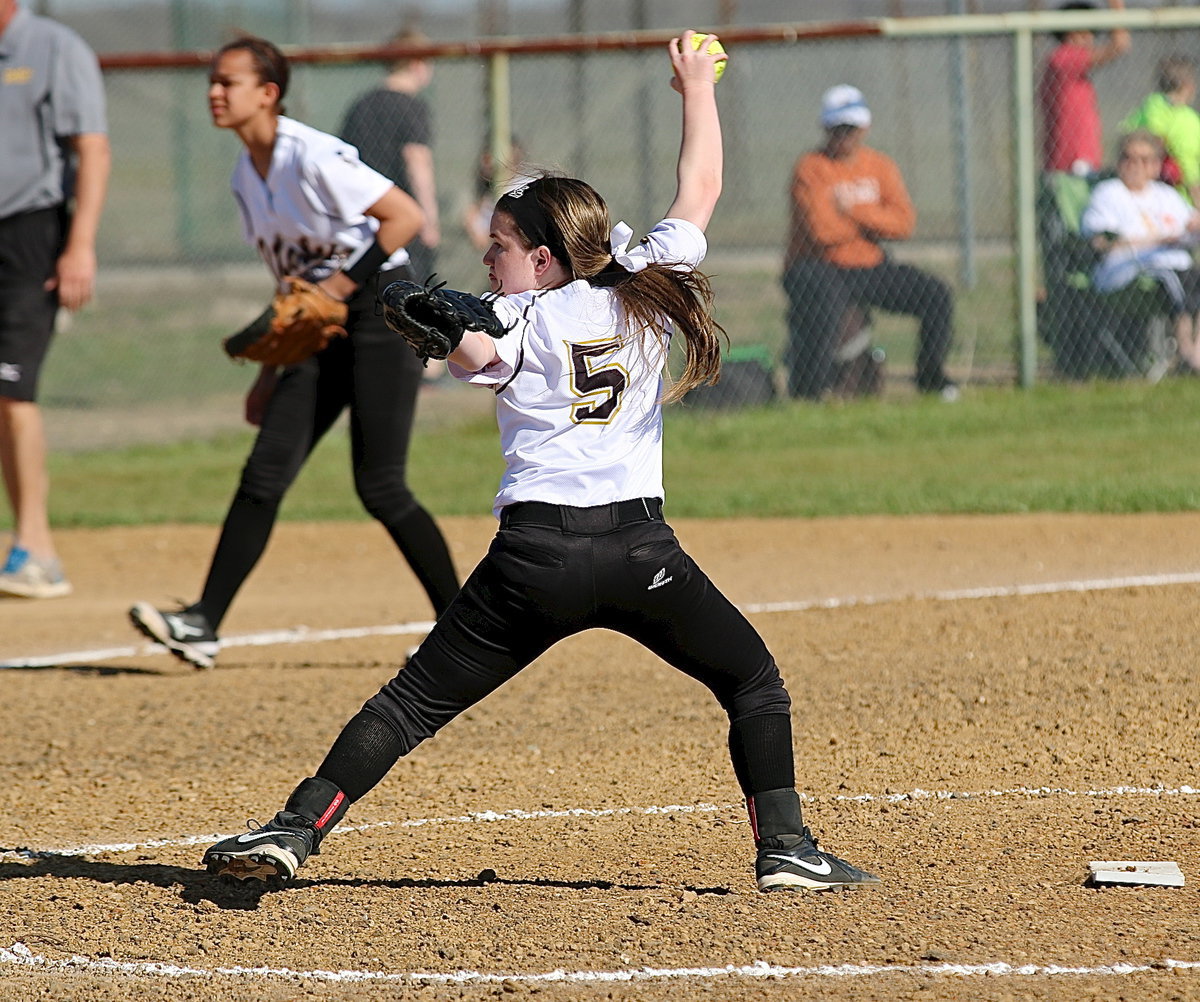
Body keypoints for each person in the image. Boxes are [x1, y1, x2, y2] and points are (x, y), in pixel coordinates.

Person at [201, 32, 879, 895]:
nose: (487, 259)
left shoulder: (516, 320)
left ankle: (297, 829)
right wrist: (696, 87)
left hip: (534, 565)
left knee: (409, 705)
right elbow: (701, 185)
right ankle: (786, 847)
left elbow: (471, 353)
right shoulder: (646, 281)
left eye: (501, 246)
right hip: (642, 556)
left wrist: (442, 327)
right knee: (751, 679)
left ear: (545, 259)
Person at [127, 36, 459, 669]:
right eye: (213, 81)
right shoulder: (243, 176)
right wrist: (271, 372)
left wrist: (335, 286)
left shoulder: (309, 155)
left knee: (380, 484)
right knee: (264, 473)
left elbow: (404, 217)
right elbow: (291, 283)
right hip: (319, 323)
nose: (214, 93)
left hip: (380, 306)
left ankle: (464, 623)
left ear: (268, 93)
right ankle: (202, 623)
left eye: (229, 82)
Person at [0, 0, 109, 599]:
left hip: (28, 235)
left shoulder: (52, 47)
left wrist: (80, 246)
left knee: (12, 391)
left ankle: (36, 549)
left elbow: (91, 148)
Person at [781, 84, 957, 401]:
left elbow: (904, 223)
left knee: (936, 295)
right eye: (838, 128)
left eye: (851, 128)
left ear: (865, 127)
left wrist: (854, 212)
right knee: (826, 303)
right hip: (817, 266)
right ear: (825, 128)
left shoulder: (880, 166)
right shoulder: (811, 168)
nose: (845, 136)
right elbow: (822, 231)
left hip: (869, 265)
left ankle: (932, 380)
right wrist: (876, 222)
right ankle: (812, 392)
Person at [1081, 130, 1200, 371]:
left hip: (1177, 263)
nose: (1135, 166)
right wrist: (1157, 240)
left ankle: (1196, 350)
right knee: (1172, 276)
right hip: (1126, 270)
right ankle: (1186, 351)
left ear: (1156, 166)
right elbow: (1101, 242)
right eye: (1128, 158)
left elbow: (1190, 228)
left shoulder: (1167, 195)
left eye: (1144, 160)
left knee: (1186, 274)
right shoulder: (1108, 193)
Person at [339, 27, 439, 281]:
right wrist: (428, 219)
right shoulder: (412, 106)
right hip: (404, 216)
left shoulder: (361, 104)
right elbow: (417, 162)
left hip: (364, 215)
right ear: (417, 64)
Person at [1038, 0, 1131, 177]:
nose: (1090, 39)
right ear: (1072, 32)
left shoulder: (1068, 63)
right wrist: (1116, 6)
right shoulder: (1063, 58)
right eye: (1086, 32)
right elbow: (1120, 45)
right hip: (1073, 162)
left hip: (1080, 161)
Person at [1121, 55, 1200, 206]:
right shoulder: (1185, 119)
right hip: (1175, 196)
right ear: (1189, 86)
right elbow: (1189, 168)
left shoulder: (1151, 106)